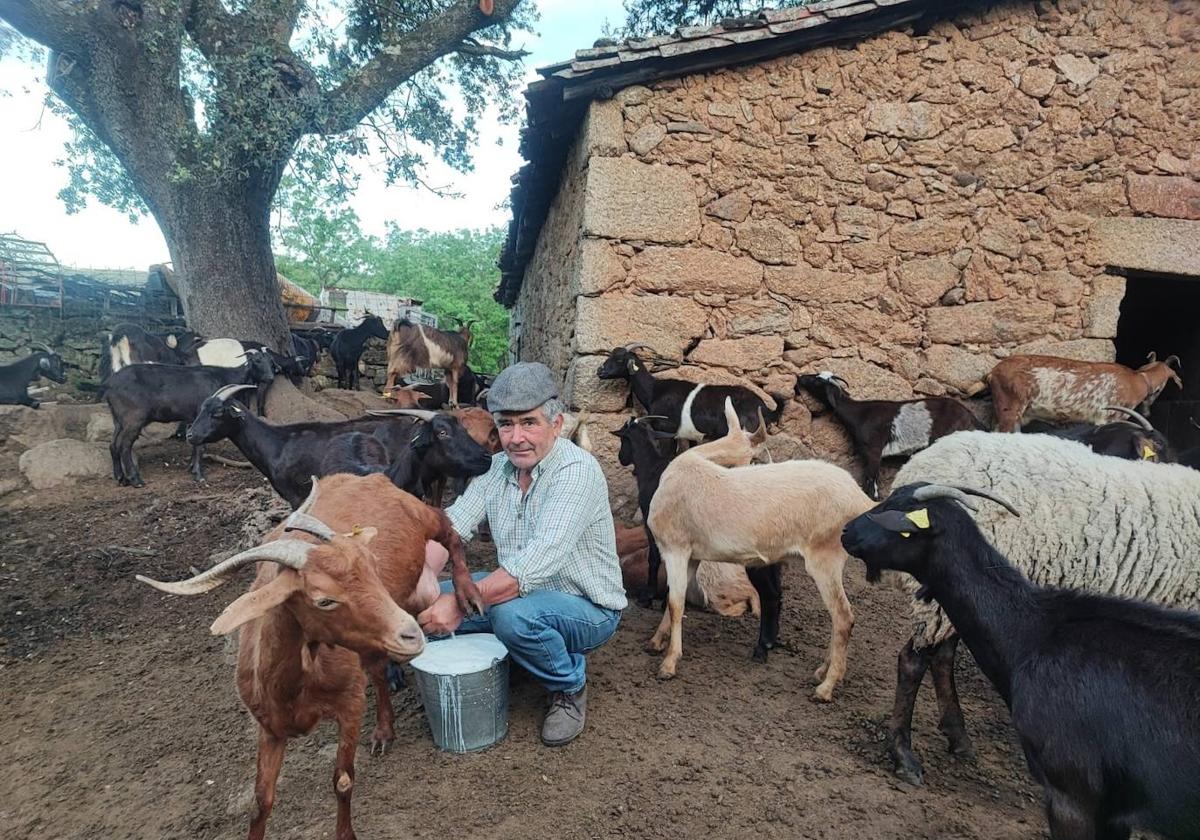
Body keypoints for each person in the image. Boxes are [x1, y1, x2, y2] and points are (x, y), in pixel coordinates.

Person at [417, 361, 626, 746]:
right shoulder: (496, 469)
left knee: (510, 615)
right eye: (506, 424)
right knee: (431, 602)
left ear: (557, 424)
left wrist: (458, 607)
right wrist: (422, 584)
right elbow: (450, 529)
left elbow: (540, 558)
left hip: (587, 607)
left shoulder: (576, 471)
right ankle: (518, 651)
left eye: (529, 422)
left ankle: (569, 686)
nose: (516, 438)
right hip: (522, 592)